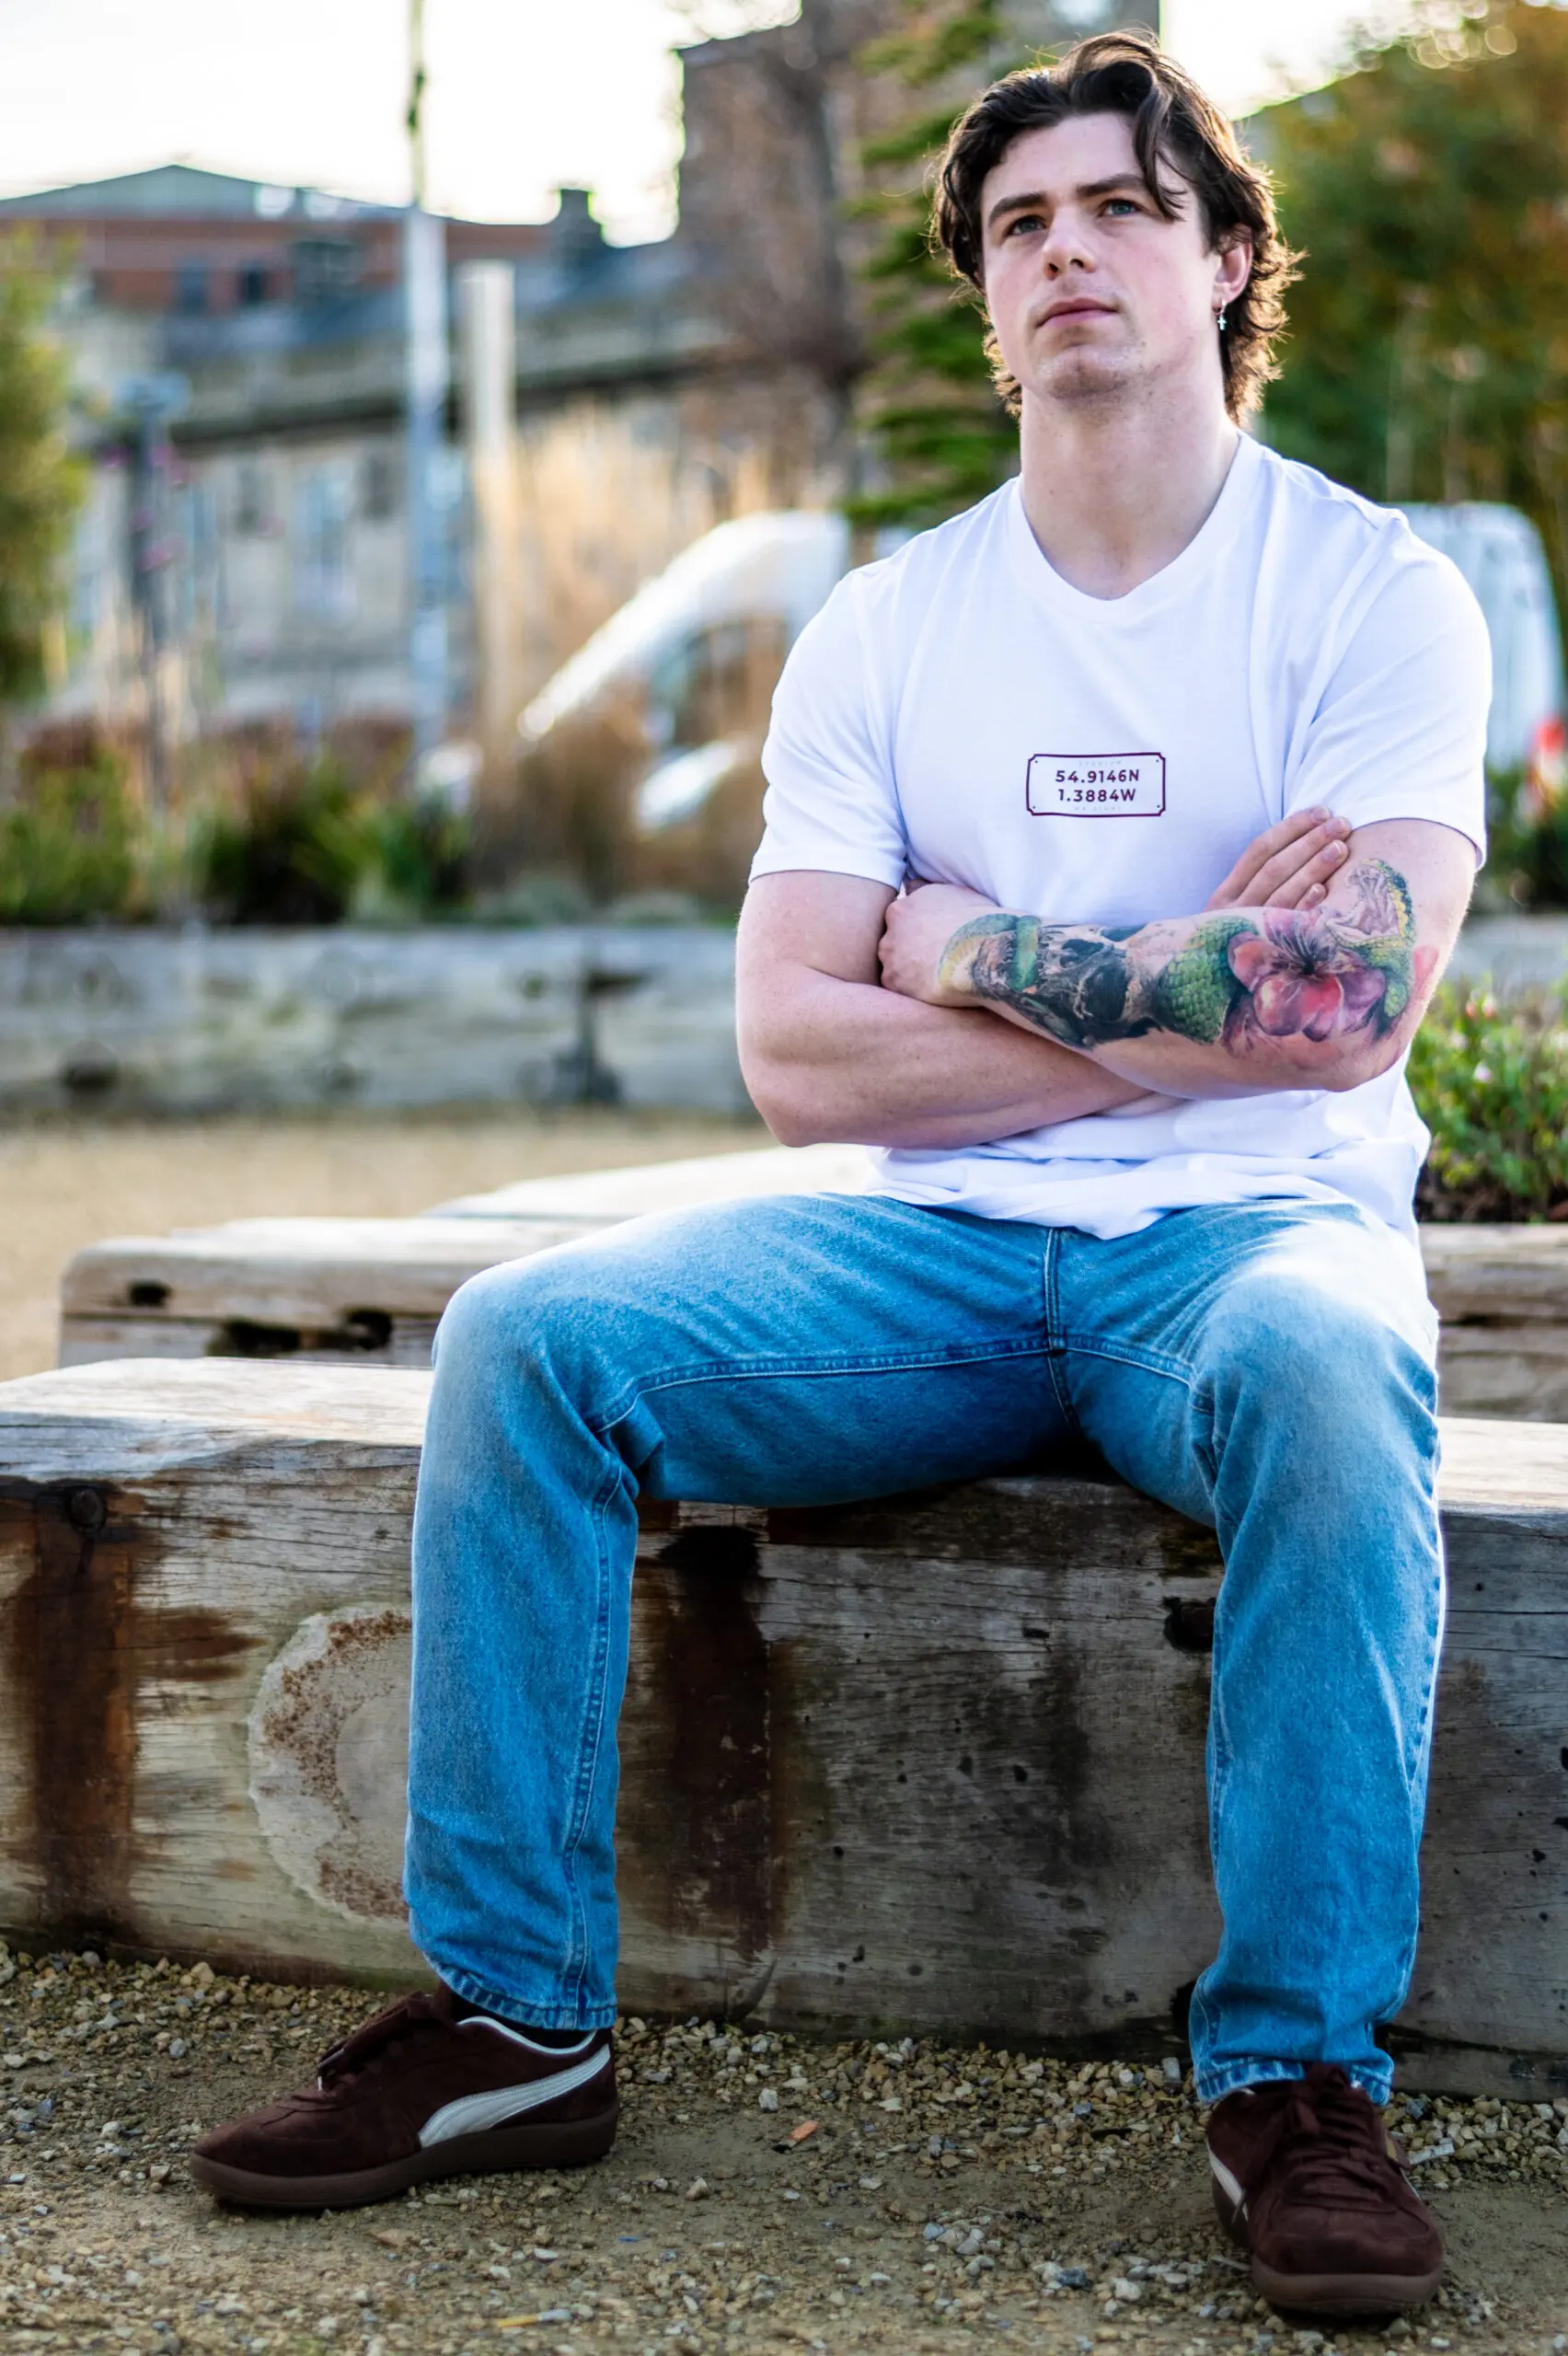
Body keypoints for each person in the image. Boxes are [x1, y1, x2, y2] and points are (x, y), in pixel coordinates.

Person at [192, 29, 1489, 2321]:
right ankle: (516, 2019)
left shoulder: (1370, 594)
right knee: (527, 1340)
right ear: (984, 298)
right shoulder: (895, 626)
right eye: (1022, 225)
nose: (1069, 253)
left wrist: (972, 950)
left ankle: (1293, 2079)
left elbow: (1343, 1015)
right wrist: (1183, 977)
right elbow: (796, 1053)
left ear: (1223, 260)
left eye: (1122, 208)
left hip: (1251, 1237)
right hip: (930, 1247)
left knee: (1330, 1374)